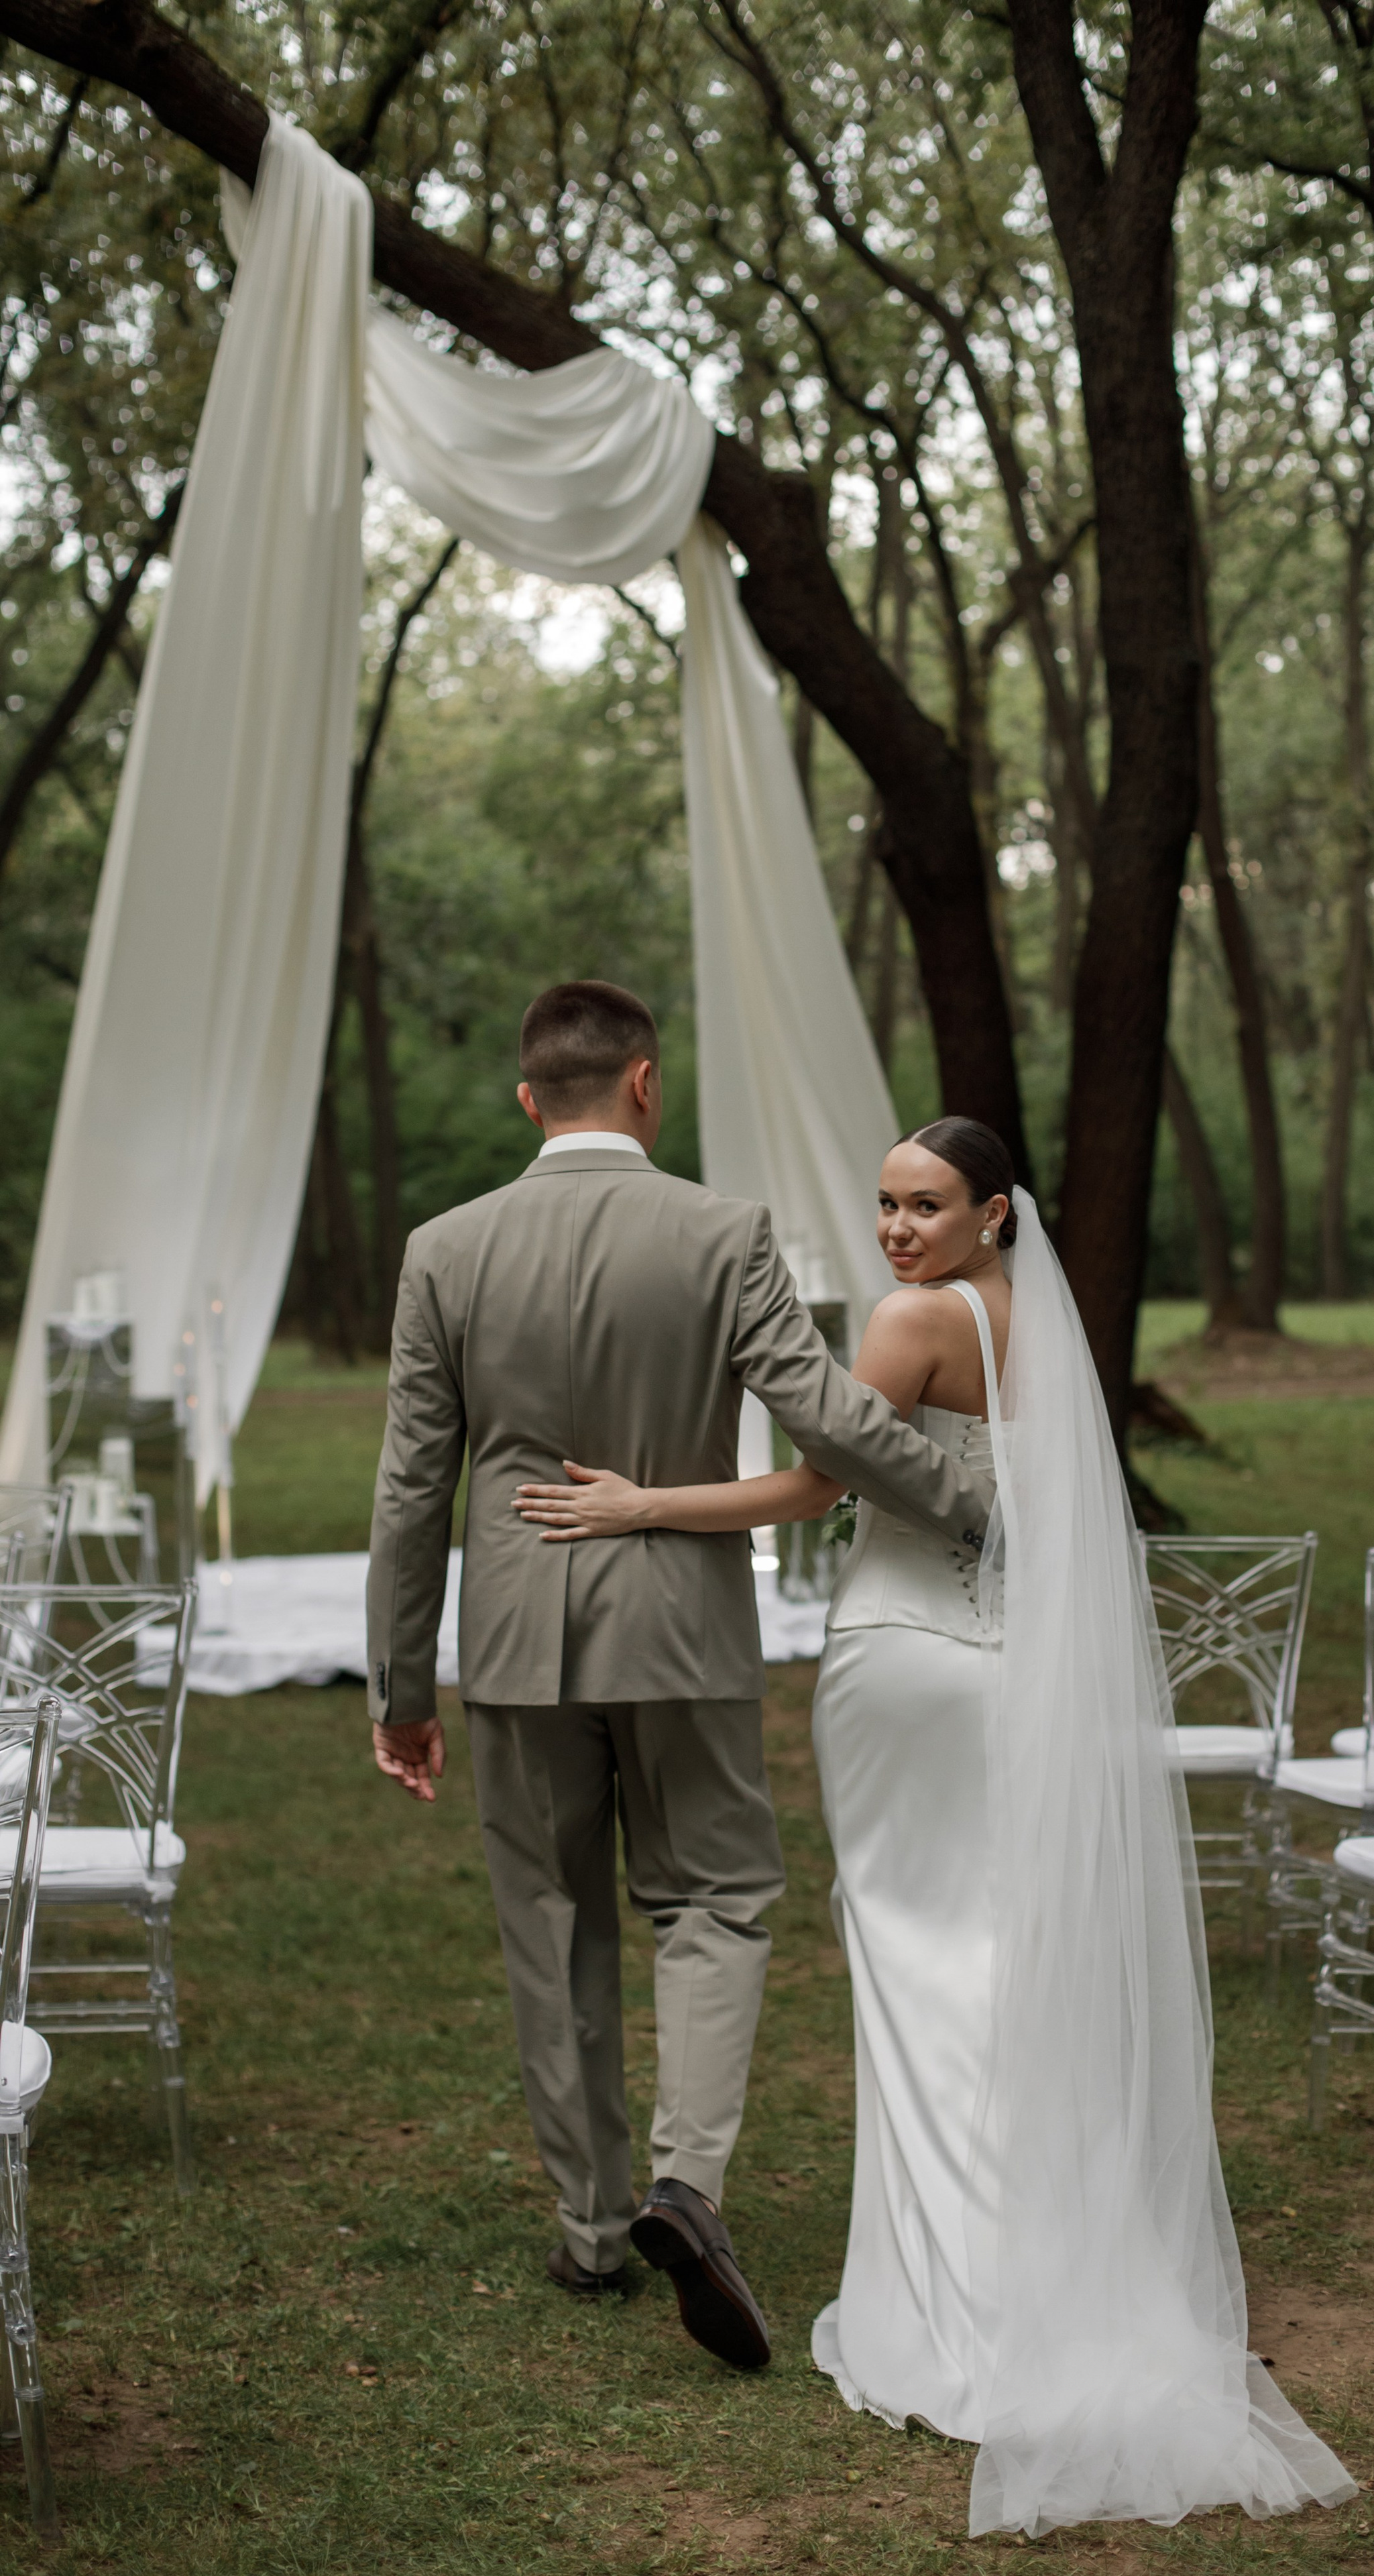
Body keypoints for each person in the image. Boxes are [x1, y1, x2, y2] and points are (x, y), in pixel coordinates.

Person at [514, 1117, 1357, 2540]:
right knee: (996, 1952)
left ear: (991, 1211)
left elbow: (814, 1482)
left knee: (915, 1963)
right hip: (1011, 1670)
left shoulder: (913, 1321)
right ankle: (1046, 2270)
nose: (899, 1228)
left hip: (904, 1658)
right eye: (888, 1204)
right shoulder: (1034, 1325)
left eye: (927, 1204)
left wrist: (640, 1503)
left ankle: (951, 2304)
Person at [366, 983, 994, 2375]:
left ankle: (593, 2227)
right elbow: (824, 1413)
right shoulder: (719, 1231)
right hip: (681, 1626)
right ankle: (685, 2184)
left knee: (549, 1914)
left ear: (532, 1096)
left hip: (519, 1639)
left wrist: (400, 1684)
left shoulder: (443, 1249)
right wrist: (969, 1504)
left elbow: (413, 1481)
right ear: (644, 1085)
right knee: (711, 1899)